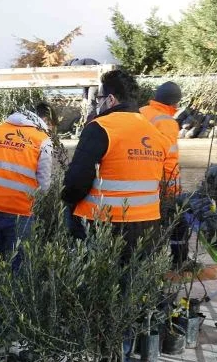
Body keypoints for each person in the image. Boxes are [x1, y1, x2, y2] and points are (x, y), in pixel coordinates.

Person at [62, 69, 169, 253]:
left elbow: (76, 181)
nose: (98, 104)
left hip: (103, 224)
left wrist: (67, 200)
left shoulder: (101, 127)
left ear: (110, 100)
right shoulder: (155, 133)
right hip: (148, 225)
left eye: (99, 98)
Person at [0, 109, 52, 269]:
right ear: (43, 121)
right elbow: (44, 185)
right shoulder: (43, 140)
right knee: (17, 266)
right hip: (20, 211)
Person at [139, 82, 187, 267]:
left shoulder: (141, 111)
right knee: (178, 223)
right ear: (175, 105)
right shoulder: (167, 121)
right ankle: (179, 262)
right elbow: (169, 160)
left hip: (138, 179)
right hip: (158, 183)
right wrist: (173, 192)